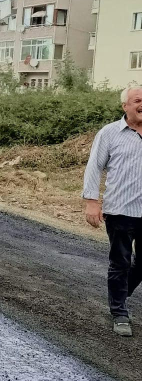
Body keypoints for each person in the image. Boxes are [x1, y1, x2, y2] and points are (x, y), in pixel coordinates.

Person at [83, 85, 142, 337]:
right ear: (125, 106)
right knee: (120, 262)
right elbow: (94, 167)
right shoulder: (109, 133)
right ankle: (119, 312)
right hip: (120, 210)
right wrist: (91, 201)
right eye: (137, 100)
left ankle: (119, 294)